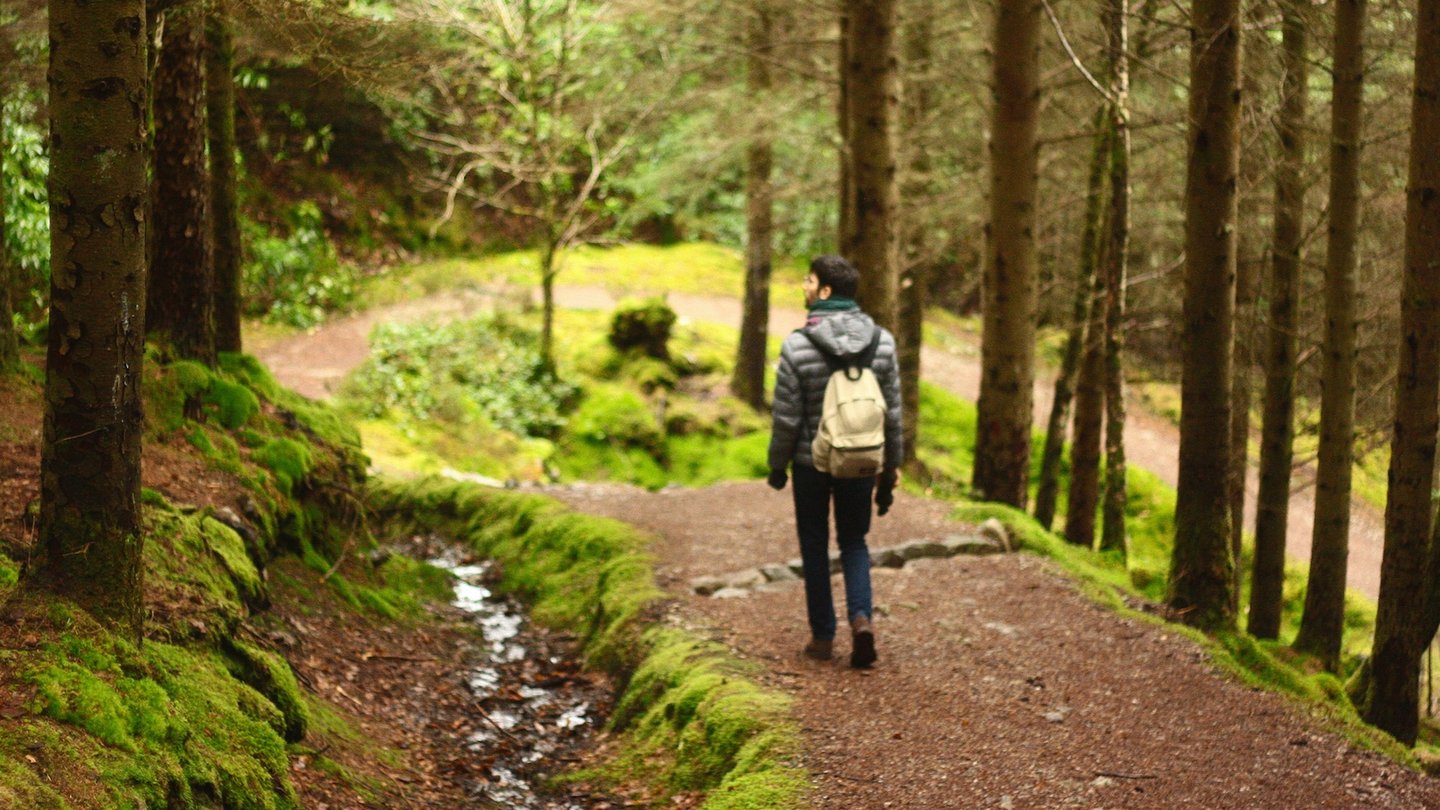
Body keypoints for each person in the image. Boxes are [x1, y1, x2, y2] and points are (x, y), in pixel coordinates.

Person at [767, 255, 902, 668]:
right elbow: (892, 412)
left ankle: (823, 638)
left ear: (825, 291)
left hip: (813, 463)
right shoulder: (882, 342)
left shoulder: (796, 345)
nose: (804, 287)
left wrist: (777, 465)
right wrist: (890, 466)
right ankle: (862, 619)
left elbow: (786, 417)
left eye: (809, 281)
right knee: (854, 541)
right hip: (862, 460)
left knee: (814, 544)